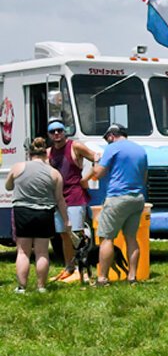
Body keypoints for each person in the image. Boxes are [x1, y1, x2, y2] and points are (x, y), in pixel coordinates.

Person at [8, 137, 70, 293]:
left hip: (22, 212)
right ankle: (41, 286)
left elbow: (8, 186)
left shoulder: (17, 167)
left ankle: (22, 287)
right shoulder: (55, 173)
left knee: (23, 252)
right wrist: (66, 220)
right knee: (42, 252)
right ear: (46, 154)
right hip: (44, 213)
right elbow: (59, 200)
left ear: (29, 154)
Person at [92, 124, 147, 286]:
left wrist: (96, 161)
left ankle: (102, 278)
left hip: (117, 198)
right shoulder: (140, 150)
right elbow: (144, 177)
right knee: (131, 238)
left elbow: (98, 174)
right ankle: (132, 277)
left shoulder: (113, 148)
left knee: (106, 238)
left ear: (111, 136)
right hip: (137, 198)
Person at [44, 119, 97, 282]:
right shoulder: (48, 153)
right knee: (64, 235)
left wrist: (87, 178)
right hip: (58, 198)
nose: (56, 134)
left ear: (64, 131)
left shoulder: (76, 146)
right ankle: (69, 268)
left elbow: (97, 158)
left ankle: (84, 269)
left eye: (59, 130)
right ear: (49, 135)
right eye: (53, 132)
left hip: (75, 196)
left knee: (78, 234)